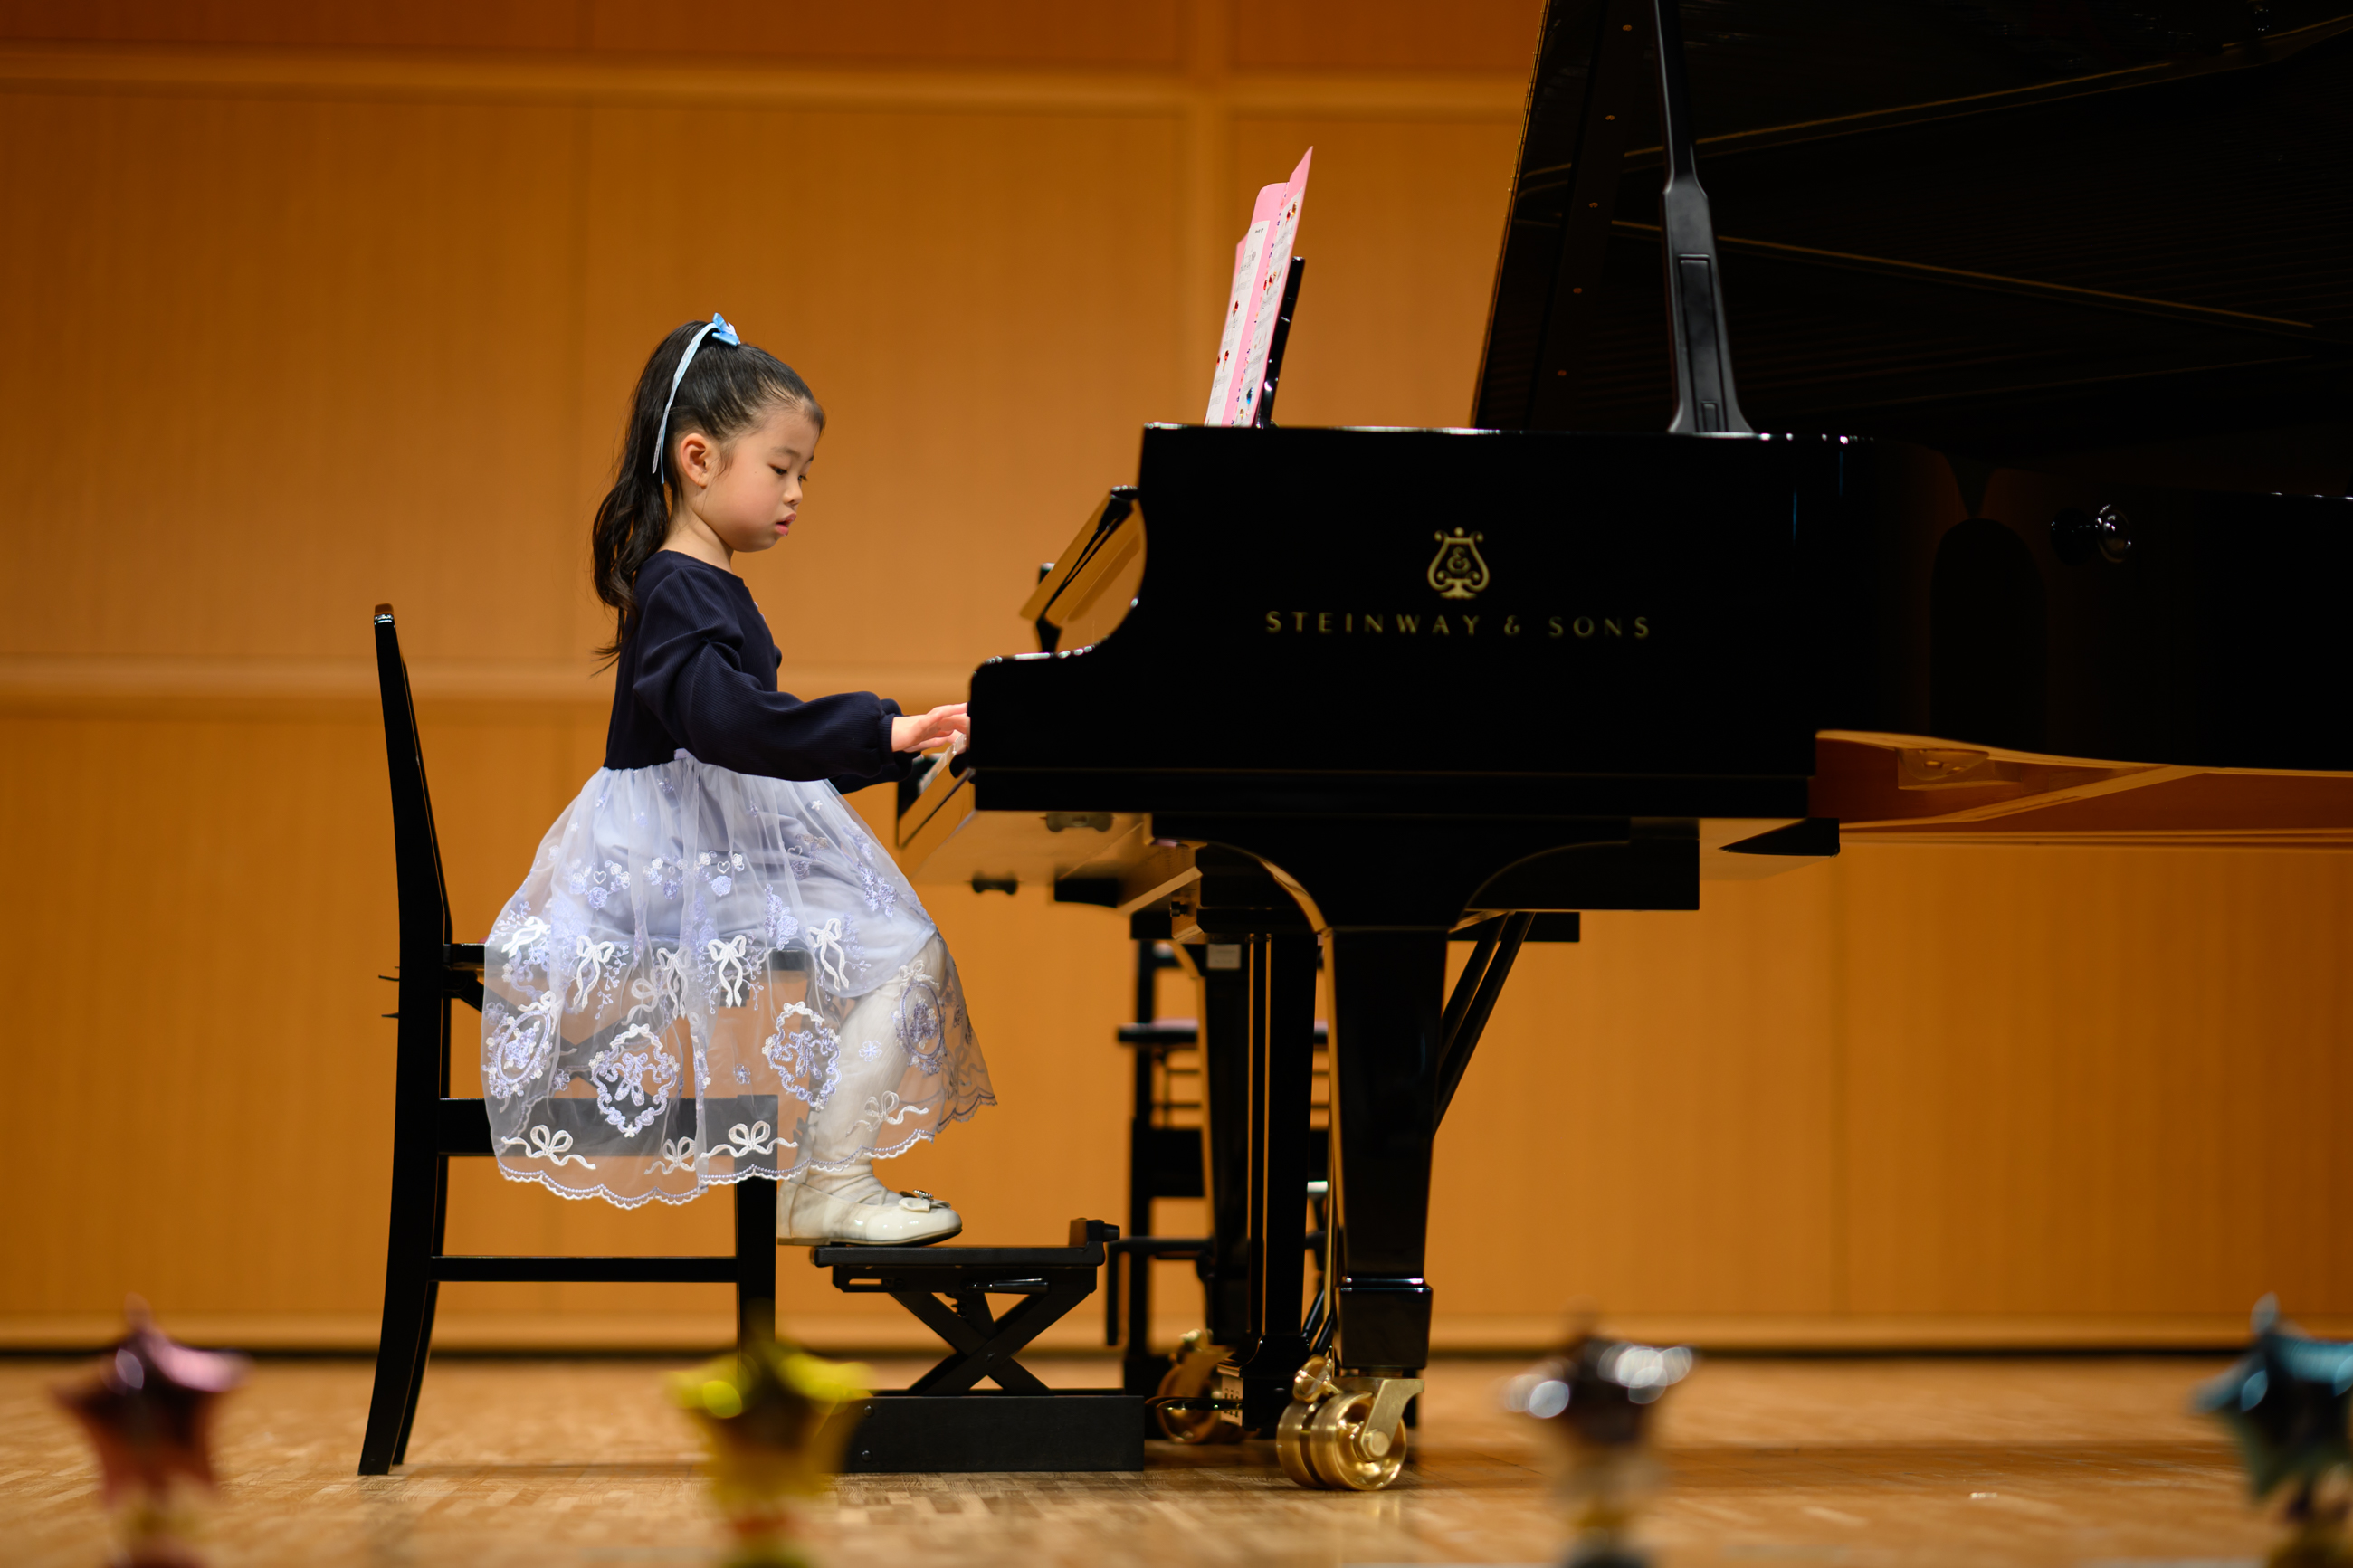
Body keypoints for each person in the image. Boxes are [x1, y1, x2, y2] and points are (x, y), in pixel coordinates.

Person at [480, 314, 991, 1243]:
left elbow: (749, 736)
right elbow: (728, 726)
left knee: (892, 947)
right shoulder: (681, 583)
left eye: (805, 474)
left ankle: (828, 1174)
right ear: (698, 459)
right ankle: (829, 1180)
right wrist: (883, 727)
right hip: (665, 866)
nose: (796, 492)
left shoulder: (695, 582)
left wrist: (884, 743)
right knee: (903, 951)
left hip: (691, 846)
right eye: (781, 467)